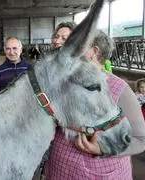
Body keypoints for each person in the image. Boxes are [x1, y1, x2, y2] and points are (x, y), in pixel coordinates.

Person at [44, 29, 145, 180]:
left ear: (93, 51)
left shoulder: (118, 87)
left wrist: (103, 148)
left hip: (100, 172)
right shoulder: (65, 82)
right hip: (60, 167)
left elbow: (140, 139)